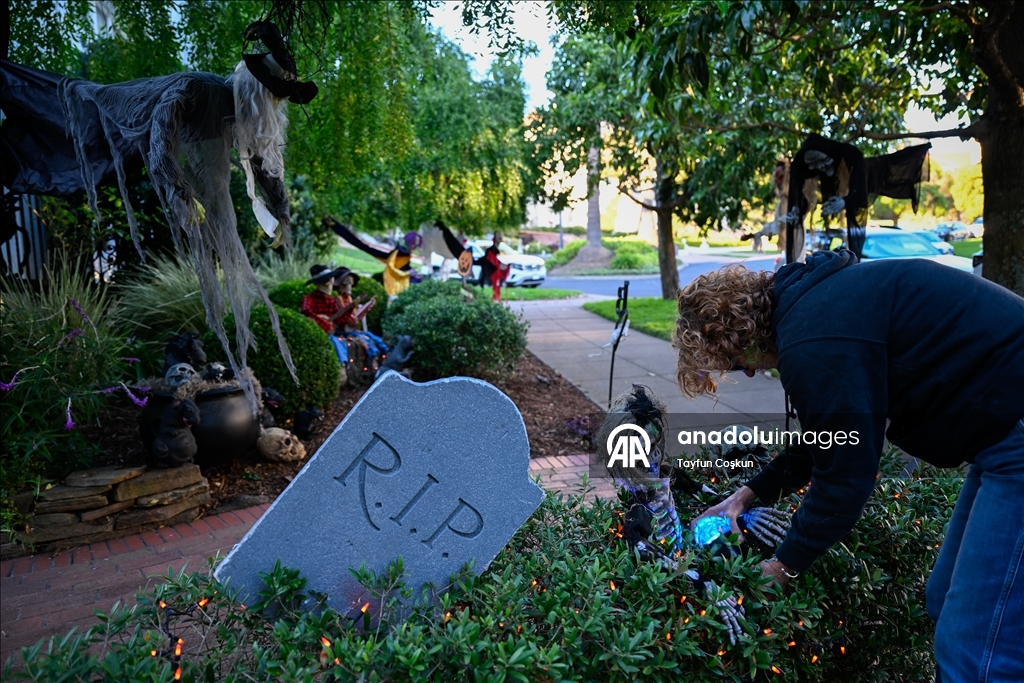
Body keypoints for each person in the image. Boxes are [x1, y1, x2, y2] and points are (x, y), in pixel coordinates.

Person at [674, 250, 1024, 682]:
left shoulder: (813, 341)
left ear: (739, 336)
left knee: (973, 648)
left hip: (1014, 434)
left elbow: (845, 478)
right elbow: (830, 438)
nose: (745, 372)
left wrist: (782, 566)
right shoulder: (814, 306)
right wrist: (745, 496)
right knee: (945, 597)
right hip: (1002, 433)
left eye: (732, 360)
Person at [480, 231, 510, 301]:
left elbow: (495, 261)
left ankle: (496, 297)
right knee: (495, 285)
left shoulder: (494, 251)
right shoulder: (491, 251)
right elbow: (491, 261)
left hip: (493, 271)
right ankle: (495, 297)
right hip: (491, 271)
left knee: (496, 285)